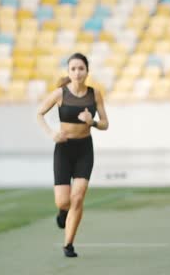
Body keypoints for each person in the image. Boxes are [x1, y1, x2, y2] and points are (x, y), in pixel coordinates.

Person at [37, 53, 109, 257]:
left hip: (84, 150)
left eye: (81, 68)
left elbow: (105, 123)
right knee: (63, 201)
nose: (77, 72)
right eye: (73, 69)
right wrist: (52, 133)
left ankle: (68, 245)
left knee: (77, 199)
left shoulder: (95, 94)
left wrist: (91, 122)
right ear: (69, 72)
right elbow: (39, 113)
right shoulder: (60, 94)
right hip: (64, 150)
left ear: (87, 71)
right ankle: (62, 211)